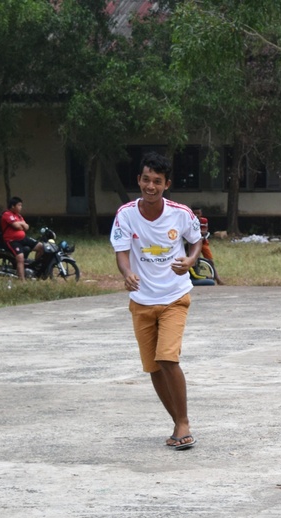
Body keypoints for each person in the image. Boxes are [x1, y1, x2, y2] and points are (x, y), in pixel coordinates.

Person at [111, 152, 203, 450]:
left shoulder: (180, 213)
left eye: (158, 182)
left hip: (175, 296)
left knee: (167, 358)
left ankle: (184, 422)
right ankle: (177, 422)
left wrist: (190, 259)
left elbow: (197, 238)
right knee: (153, 367)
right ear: (139, 180)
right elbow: (122, 252)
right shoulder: (125, 214)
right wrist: (127, 274)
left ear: (167, 185)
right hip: (141, 301)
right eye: (146, 180)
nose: (151, 186)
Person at [1, 197, 44, 280]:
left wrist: (20, 224)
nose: (21, 207)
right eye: (19, 205)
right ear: (13, 206)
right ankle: (22, 280)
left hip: (23, 238)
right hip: (12, 240)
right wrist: (21, 224)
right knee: (20, 258)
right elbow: (17, 226)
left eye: (21, 205)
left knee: (41, 247)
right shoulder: (7, 214)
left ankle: (35, 269)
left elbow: (27, 227)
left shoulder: (18, 216)